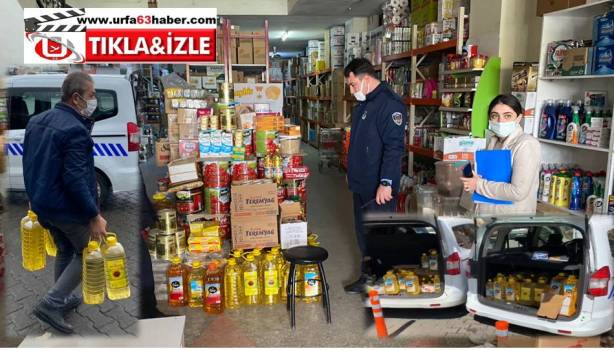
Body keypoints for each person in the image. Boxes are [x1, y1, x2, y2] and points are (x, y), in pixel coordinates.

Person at [23, 71, 107, 334]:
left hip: (43, 203)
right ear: (76, 97)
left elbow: (30, 164)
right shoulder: (74, 130)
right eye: (91, 95)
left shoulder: (37, 120)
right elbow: (76, 179)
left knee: (65, 250)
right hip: (66, 208)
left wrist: (32, 198)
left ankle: (62, 298)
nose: (94, 100)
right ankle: (51, 303)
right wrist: (94, 215)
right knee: (90, 252)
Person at [343, 58, 406, 294]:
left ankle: (385, 282)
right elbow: (360, 145)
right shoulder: (365, 104)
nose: (351, 90)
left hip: (378, 186)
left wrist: (386, 183)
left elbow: (393, 148)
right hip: (361, 181)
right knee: (363, 233)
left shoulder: (389, 105)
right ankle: (368, 277)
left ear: (366, 79)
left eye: (352, 85)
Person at [460, 94, 541, 216]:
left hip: (510, 223)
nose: (500, 121)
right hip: (488, 219)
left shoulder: (526, 144)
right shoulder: (494, 141)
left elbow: (517, 192)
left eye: (507, 116)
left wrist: (478, 184)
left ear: (519, 118)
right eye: (495, 116)